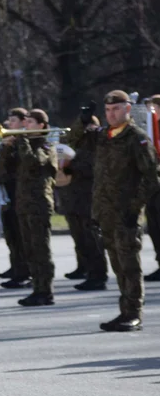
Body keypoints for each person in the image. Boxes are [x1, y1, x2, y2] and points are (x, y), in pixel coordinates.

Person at [93, 90, 160, 331]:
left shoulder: (136, 138)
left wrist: (134, 208)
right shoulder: (104, 136)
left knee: (130, 264)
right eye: (108, 110)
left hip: (126, 213)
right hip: (106, 213)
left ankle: (134, 313)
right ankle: (124, 311)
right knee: (118, 265)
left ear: (127, 109)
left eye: (117, 109)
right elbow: (98, 176)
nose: (112, 114)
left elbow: (152, 177)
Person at [12, 109, 58, 307]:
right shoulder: (25, 145)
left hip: (39, 204)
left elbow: (33, 162)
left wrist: (21, 140)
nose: (26, 125)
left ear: (41, 125)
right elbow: (2, 170)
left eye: (30, 122)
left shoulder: (46, 145)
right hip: (24, 204)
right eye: (26, 122)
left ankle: (45, 291)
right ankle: (36, 288)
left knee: (41, 250)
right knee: (29, 249)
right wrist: (7, 148)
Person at [61, 105, 108, 291]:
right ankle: (89, 271)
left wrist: (72, 162)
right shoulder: (76, 144)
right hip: (76, 198)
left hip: (90, 198)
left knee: (92, 239)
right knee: (81, 239)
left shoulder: (97, 145)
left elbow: (91, 166)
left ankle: (98, 275)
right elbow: (69, 141)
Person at [0, 108, 31, 289]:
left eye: (13, 120)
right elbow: (0, 170)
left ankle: (26, 272)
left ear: (24, 122)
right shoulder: (10, 144)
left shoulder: (29, 142)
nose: (9, 124)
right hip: (9, 195)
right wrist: (5, 149)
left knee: (22, 236)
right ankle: (17, 269)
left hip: (22, 194)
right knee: (12, 235)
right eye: (9, 120)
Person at [143, 95, 160, 282]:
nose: (151, 111)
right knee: (154, 227)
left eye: (154, 107)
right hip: (151, 185)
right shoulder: (147, 131)